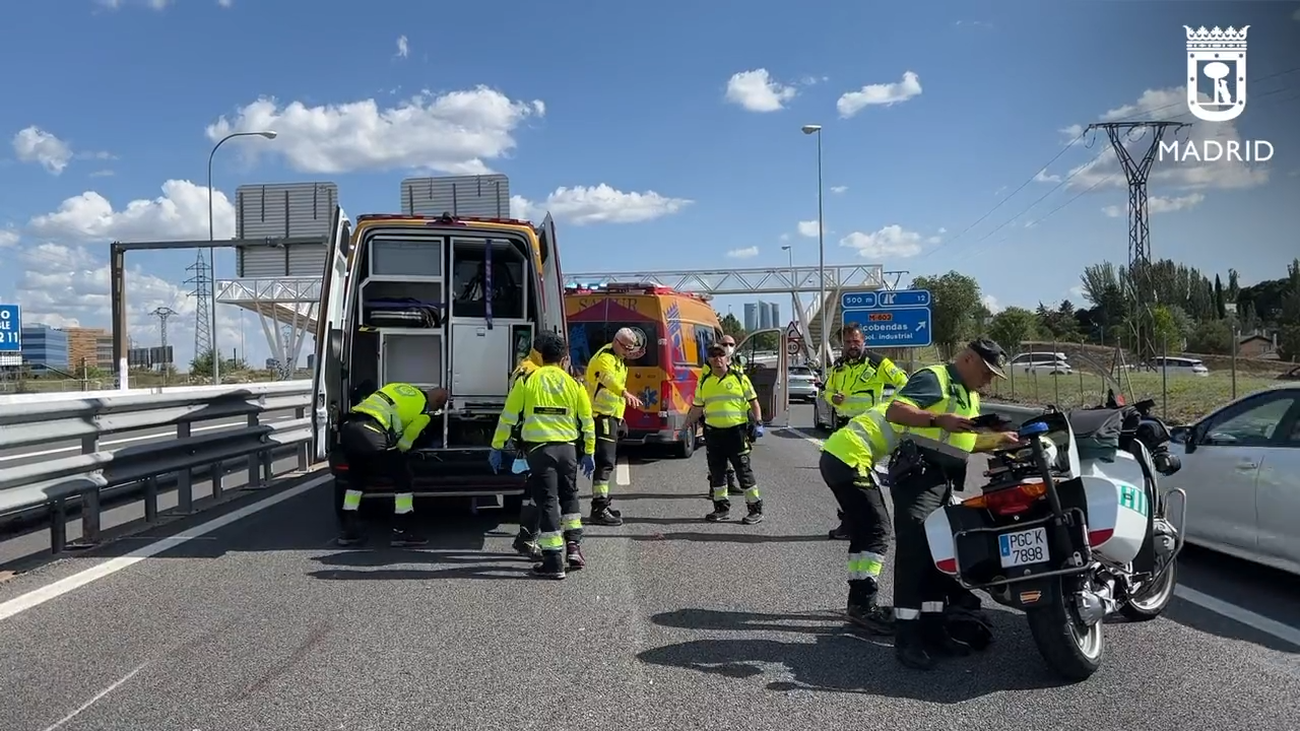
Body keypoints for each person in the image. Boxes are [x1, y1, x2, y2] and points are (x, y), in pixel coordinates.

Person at [884, 339, 1020, 670]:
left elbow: (963, 442)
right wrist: (936, 419)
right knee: (915, 555)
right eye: (987, 373)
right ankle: (907, 637)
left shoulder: (969, 394)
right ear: (969, 359)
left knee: (937, 556)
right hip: (918, 479)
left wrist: (998, 442)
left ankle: (932, 629)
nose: (988, 381)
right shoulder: (936, 377)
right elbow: (895, 410)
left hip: (942, 481)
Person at [489, 332, 596, 579]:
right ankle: (574, 548)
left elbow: (508, 417)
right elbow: (587, 422)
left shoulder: (527, 381)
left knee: (548, 501)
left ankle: (553, 561)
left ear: (540, 355)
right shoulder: (574, 384)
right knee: (570, 495)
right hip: (568, 449)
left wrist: (496, 446)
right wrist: (588, 451)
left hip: (539, 450)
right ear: (563, 358)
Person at [336, 382, 450, 547]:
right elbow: (405, 444)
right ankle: (402, 531)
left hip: (348, 427)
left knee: (356, 477)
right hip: (372, 432)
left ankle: (349, 531)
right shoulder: (423, 412)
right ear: (438, 402)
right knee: (403, 477)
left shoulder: (399, 387)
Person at [824, 323, 909, 540]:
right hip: (843, 426)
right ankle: (850, 522)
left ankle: (874, 524)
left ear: (864, 341)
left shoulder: (878, 362)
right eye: (848, 342)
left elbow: (905, 384)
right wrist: (832, 398)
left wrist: (889, 409)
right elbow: (827, 390)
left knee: (861, 478)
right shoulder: (839, 366)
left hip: (868, 429)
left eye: (856, 341)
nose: (852, 346)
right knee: (845, 479)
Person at [686, 343, 765, 524]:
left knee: (743, 471)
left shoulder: (739, 378)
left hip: (736, 433)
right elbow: (697, 407)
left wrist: (758, 422)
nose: (717, 358)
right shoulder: (705, 381)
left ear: (727, 358)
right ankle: (721, 508)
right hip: (713, 434)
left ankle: (755, 508)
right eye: (713, 355)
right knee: (717, 473)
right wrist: (686, 426)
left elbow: (754, 402)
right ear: (708, 359)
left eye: (721, 354)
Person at [583, 327, 644, 526]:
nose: (628, 352)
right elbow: (607, 379)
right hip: (600, 416)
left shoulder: (619, 360)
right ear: (616, 342)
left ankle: (602, 504)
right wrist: (624, 393)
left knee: (608, 462)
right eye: (626, 348)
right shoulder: (605, 357)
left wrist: (621, 418)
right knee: (605, 463)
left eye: (630, 349)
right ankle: (598, 508)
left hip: (611, 417)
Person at [704, 334, 744, 498]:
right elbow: (703, 389)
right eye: (724, 344)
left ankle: (730, 483)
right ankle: (715, 486)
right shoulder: (710, 366)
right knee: (717, 458)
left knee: (736, 457)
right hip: (714, 419)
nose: (728, 347)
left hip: (736, 420)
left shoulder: (738, 365)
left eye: (731, 344)